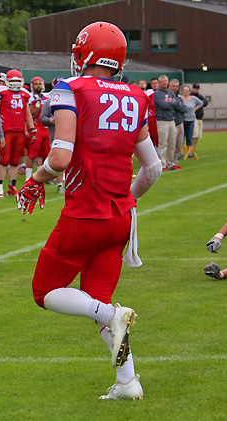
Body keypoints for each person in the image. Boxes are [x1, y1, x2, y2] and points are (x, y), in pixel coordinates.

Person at [16, 21, 161, 400]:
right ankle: (128, 381)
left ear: (85, 54)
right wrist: (128, 199)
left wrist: (35, 180)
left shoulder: (71, 88)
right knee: (98, 301)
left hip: (85, 215)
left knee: (46, 292)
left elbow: (60, 157)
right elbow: (153, 168)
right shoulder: (137, 96)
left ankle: (113, 317)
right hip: (121, 218)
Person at [0, 70, 34, 197]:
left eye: (17, 81)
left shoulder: (25, 94)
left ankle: (12, 187)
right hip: (6, 130)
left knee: (15, 161)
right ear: (7, 81)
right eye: (12, 81)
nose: (15, 83)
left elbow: (27, 113)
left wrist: (31, 128)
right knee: (4, 160)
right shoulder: (1, 93)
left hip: (19, 131)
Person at [153, 75, 184, 170]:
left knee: (172, 143)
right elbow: (163, 105)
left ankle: (171, 163)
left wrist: (170, 103)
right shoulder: (157, 94)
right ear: (159, 83)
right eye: (162, 81)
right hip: (162, 120)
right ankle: (162, 164)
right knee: (163, 143)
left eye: (166, 81)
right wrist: (172, 104)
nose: (164, 83)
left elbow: (177, 104)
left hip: (171, 120)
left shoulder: (171, 93)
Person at [179, 86, 204, 156]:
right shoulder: (180, 98)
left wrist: (195, 108)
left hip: (191, 120)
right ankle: (181, 153)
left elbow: (201, 103)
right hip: (182, 120)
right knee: (181, 137)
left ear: (189, 91)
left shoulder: (193, 98)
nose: (185, 92)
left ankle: (190, 153)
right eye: (184, 91)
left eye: (187, 91)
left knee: (189, 137)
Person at [168, 79, 186, 169]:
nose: (175, 88)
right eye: (173, 86)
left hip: (180, 122)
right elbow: (170, 107)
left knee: (179, 144)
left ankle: (175, 162)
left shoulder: (179, 97)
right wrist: (177, 106)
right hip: (172, 122)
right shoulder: (167, 96)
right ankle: (169, 162)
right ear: (170, 86)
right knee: (171, 144)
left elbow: (184, 108)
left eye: (177, 86)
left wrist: (177, 106)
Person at [191, 83, 209, 151]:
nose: (196, 90)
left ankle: (193, 148)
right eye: (195, 88)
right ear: (193, 88)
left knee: (198, 135)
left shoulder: (200, 96)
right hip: (194, 117)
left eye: (197, 88)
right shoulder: (191, 96)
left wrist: (200, 103)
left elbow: (205, 102)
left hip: (200, 118)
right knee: (194, 134)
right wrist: (200, 103)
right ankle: (191, 149)